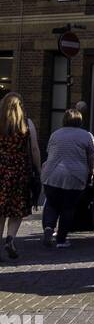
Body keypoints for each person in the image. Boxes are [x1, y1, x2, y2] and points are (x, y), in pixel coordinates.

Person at [41, 109, 94, 249]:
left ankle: (49, 228)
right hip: (75, 175)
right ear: (80, 120)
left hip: (51, 173)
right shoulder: (85, 136)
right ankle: (61, 240)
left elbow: (50, 152)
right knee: (68, 207)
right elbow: (91, 156)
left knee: (51, 203)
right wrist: (90, 172)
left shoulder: (55, 134)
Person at [0, 93, 40, 261]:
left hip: (1, 170)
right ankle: (10, 239)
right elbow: (34, 149)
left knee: (0, 211)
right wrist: (38, 169)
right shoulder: (27, 124)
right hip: (19, 172)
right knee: (16, 210)